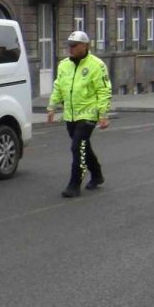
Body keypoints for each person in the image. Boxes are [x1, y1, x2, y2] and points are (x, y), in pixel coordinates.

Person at [47, 31, 112, 198]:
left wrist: (103, 114)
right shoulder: (63, 65)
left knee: (77, 147)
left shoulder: (97, 65)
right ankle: (97, 175)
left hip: (89, 114)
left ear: (85, 46)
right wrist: (52, 107)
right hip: (71, 114)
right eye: (69, 45)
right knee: (84, 147)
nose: (71, 48)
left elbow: (103, 90)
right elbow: (58, 86)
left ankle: (74, 184)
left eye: (74, 45)